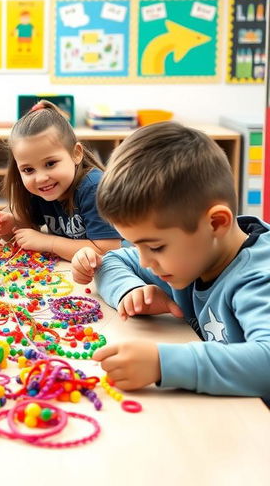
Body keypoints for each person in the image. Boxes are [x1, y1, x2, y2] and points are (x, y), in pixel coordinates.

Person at [71, 122, 270, 398]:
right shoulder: (196, 254)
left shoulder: (260, 278)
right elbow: (112, 261)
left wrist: (162, 364)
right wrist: (131, 291)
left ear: (216, 223)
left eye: (155, 247)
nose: (144, 262)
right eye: (138, 246)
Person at [0, 100, 121, 259]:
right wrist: (7, 228)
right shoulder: (40, 190)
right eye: (28, 170)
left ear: (76, 154)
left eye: (50, 164)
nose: (41, 178)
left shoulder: (94, 188)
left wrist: (49, 243)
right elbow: (26, 237)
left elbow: (108, 251)